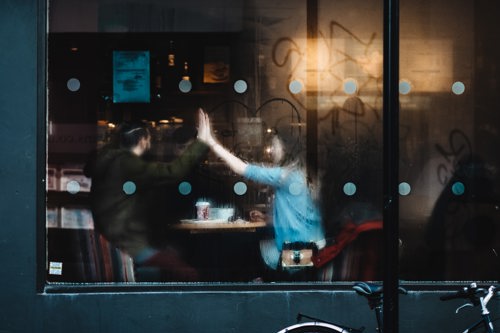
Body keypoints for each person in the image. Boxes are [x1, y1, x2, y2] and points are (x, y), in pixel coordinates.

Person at [84, 109, 212, 281]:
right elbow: (172, 172)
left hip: (115, 240)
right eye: (149, 137)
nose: (151, 140)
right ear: (142, 140)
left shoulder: (111, 159)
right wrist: (201, 142)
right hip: (128, 244)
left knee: (174, 252)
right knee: (190, 273)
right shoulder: (127, 163)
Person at [199, 111, 325, 275]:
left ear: (286, 147)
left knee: (239, 249)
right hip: (313, 247)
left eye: (275, 145)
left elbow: (242, 169)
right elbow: (299, 216)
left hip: (298, 253)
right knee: (252, 247)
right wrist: (268, 218)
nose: (271, 150)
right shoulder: (301, 173)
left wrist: (211, 142)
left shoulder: (286, 175)